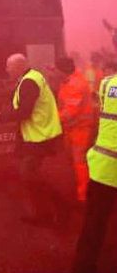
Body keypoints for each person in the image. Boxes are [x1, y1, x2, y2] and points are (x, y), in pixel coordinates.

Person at [0, 53, 65, 225]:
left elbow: (25, 111)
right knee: (30, 174)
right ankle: (46, 212)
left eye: (8, 66)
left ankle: (53, 210)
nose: (6, 69)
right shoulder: (31, 77)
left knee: (29, 175)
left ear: (18, 66)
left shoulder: (29, 82)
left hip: (39, 137)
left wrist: (1, 117)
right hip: (37, 135)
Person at [72, 60, 117, 273]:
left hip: (104, 167)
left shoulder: (107, 84)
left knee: (93, 226)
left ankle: (82, 267)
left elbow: (100, 118)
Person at [56, 57, 95, 202]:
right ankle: (80, 190)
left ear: (63, 71)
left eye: (57, 70)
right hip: (72, 129)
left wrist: (51, 119)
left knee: (80, 162)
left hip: (80, 129)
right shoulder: (68, 81)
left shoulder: (75, 84)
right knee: (74, 161)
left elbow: (69, 111)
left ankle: (83, 195)